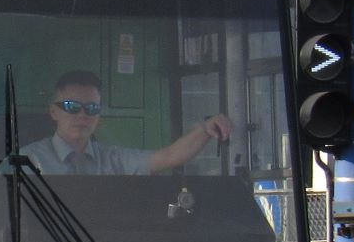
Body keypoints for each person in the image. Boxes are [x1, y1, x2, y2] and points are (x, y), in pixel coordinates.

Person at [18, 70, 231, 177]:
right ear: (53, 111)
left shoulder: (114, 160)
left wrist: (205, 130)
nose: (83, 115)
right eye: (72, 106)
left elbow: (168, 157)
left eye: (92, 108)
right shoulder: (25, 162)